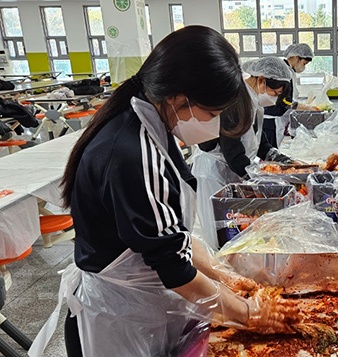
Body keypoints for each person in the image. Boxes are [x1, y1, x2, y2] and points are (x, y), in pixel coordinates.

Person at [30, 26, 297, 357]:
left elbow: (173, 233)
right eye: (212, 114)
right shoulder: (134, 152)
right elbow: (175, 268)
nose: (214, 124)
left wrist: (223, 274)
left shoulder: (153, 126)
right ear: (180, 98)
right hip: (116, 322)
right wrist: (249, 314)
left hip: (140, 306)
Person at [191, 57, 294, 249]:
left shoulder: (254, 103)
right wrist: (258, 181)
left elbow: (259, 141)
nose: (274, 98)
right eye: (274, 92)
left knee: (236, 230)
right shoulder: (236, 102)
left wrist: (283, 161)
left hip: (233, 170)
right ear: (261, 80)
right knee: (219, 235)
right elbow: (234, 154)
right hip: (213, 173)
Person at [263, 43, 317, 148]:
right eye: (304, 63)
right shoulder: (284, 72)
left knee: (273, 149)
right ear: (297, 58)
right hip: (272, 119)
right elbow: (284, 100)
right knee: (269, 152)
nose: (303, 67)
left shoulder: (288, 71)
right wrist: (304, 107)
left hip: (278, 118)